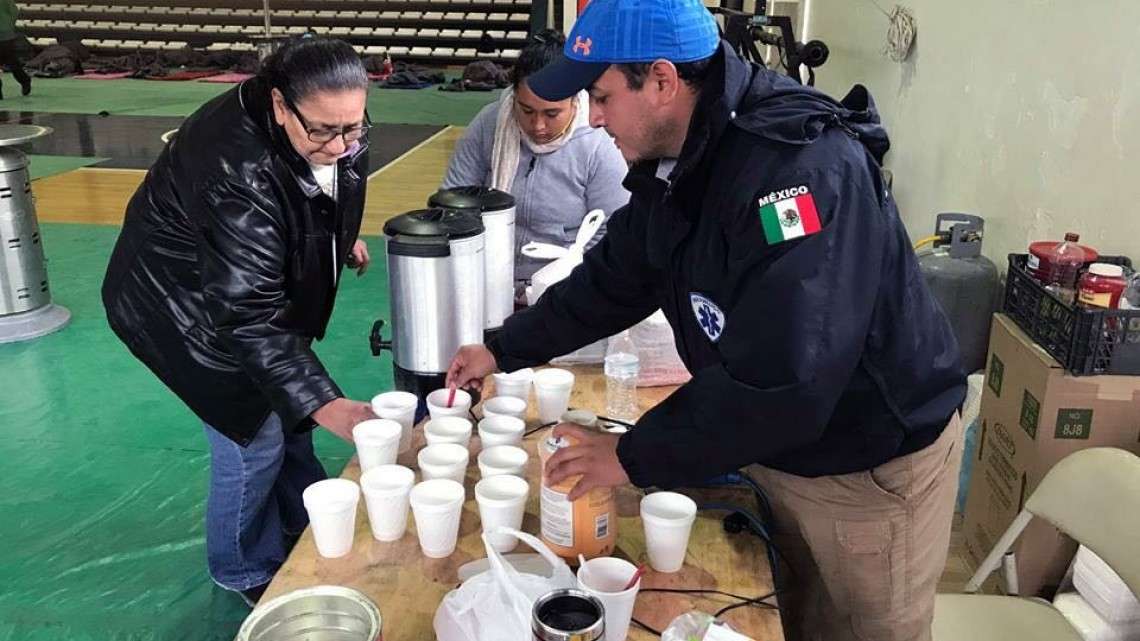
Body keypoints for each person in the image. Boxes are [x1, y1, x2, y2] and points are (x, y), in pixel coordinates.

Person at [445, 1, 967, 639]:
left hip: (864, 468)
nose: (594, 116)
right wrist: (503, 349)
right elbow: (615, 278)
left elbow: (784, 376)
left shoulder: (800, 176)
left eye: (602, 96)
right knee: (782, 615)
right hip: (776, 447)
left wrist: (633, 455)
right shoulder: (679, 158)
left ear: (662, 81)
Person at [102, 37, 377, 606]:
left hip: (236, 287)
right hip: (179, 303)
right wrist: (330, 405)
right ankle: (242, 566)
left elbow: (316, 189)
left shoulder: (329, 123)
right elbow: (246, 310)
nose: (343, 143)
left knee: (287, 412)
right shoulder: (236, 167)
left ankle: (302, 522)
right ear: (280, 105)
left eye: (354, 127)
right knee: (250, 436)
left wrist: (336, 240)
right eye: (326, 130)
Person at [440, 28, 629, 304]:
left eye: (552, 113)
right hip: (485, 285)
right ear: (513, 96)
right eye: (526, 110)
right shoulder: (489, 125)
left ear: (575, 100)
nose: (538, 126)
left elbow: (616, 226)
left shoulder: (598, 144)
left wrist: (568, 276)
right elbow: (452, 201)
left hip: (563, 292)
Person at [0, 0, 31, 98]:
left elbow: (14, 11)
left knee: (12, 62)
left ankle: (24, 80)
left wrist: (8, 25)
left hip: (5, 35)